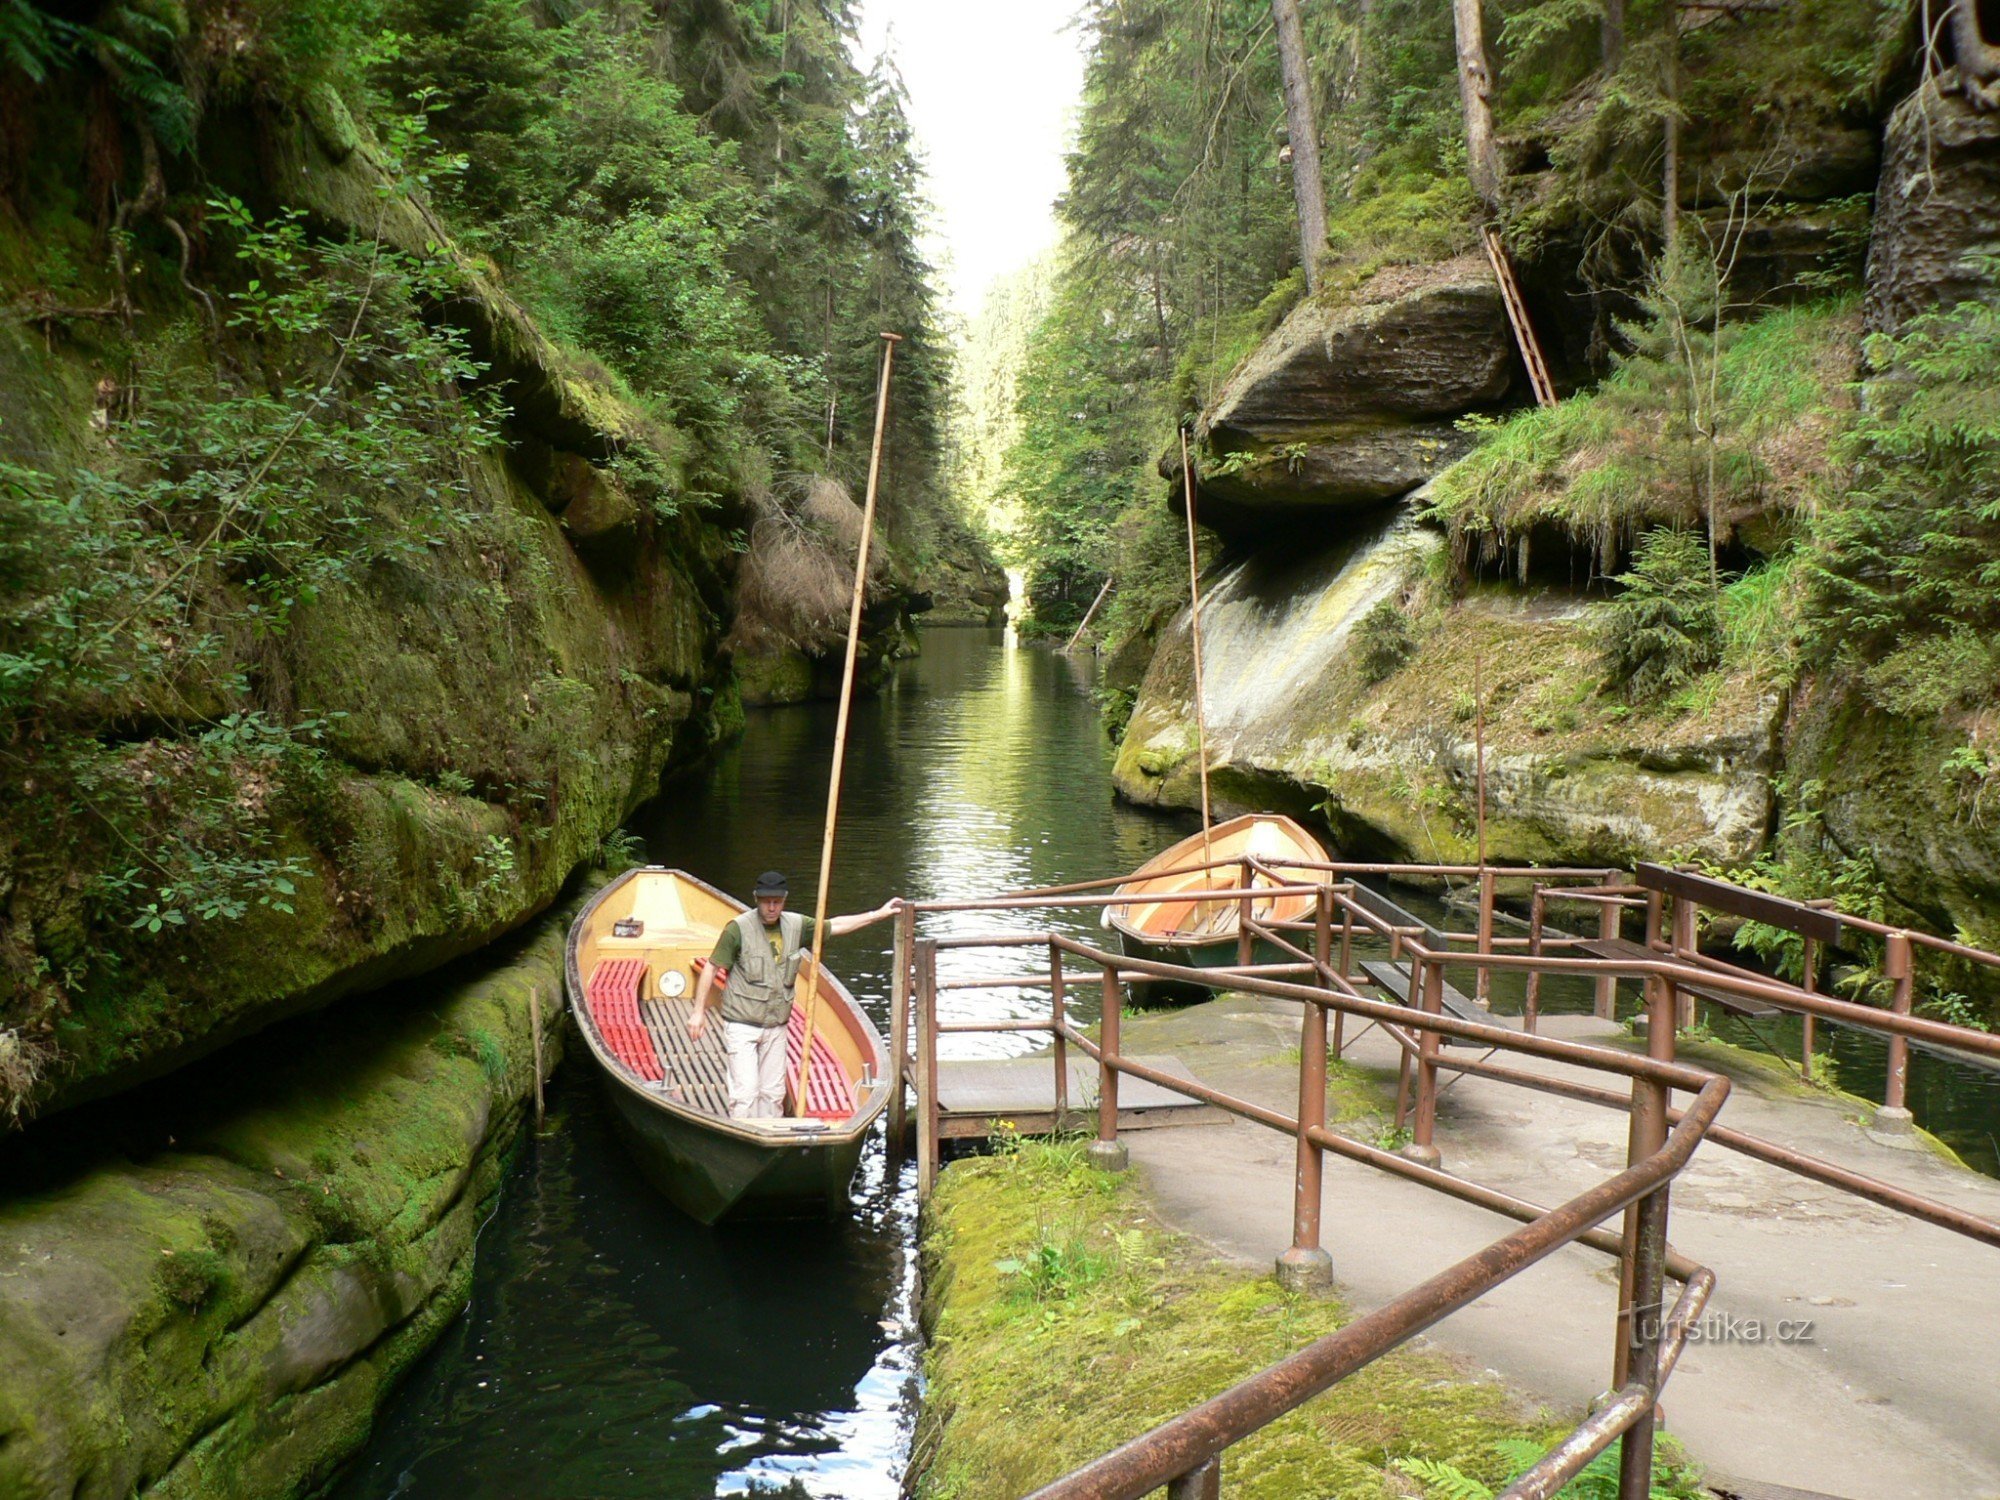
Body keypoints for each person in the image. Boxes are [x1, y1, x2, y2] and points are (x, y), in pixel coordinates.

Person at [686, 871, 898, 1121]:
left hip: (777, 1025)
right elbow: (711, 967)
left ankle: (771, 1138)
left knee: (773, 1094)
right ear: (756, 899)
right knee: (745, 1094)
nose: (772, 907)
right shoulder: (738, 929)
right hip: (742, 1024)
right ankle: (744, 1138)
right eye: (767, 901)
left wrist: (878, 914)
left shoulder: (797, 925)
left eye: (777, 901)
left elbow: (835, 925)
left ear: (784, 900)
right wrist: (698, 1013)